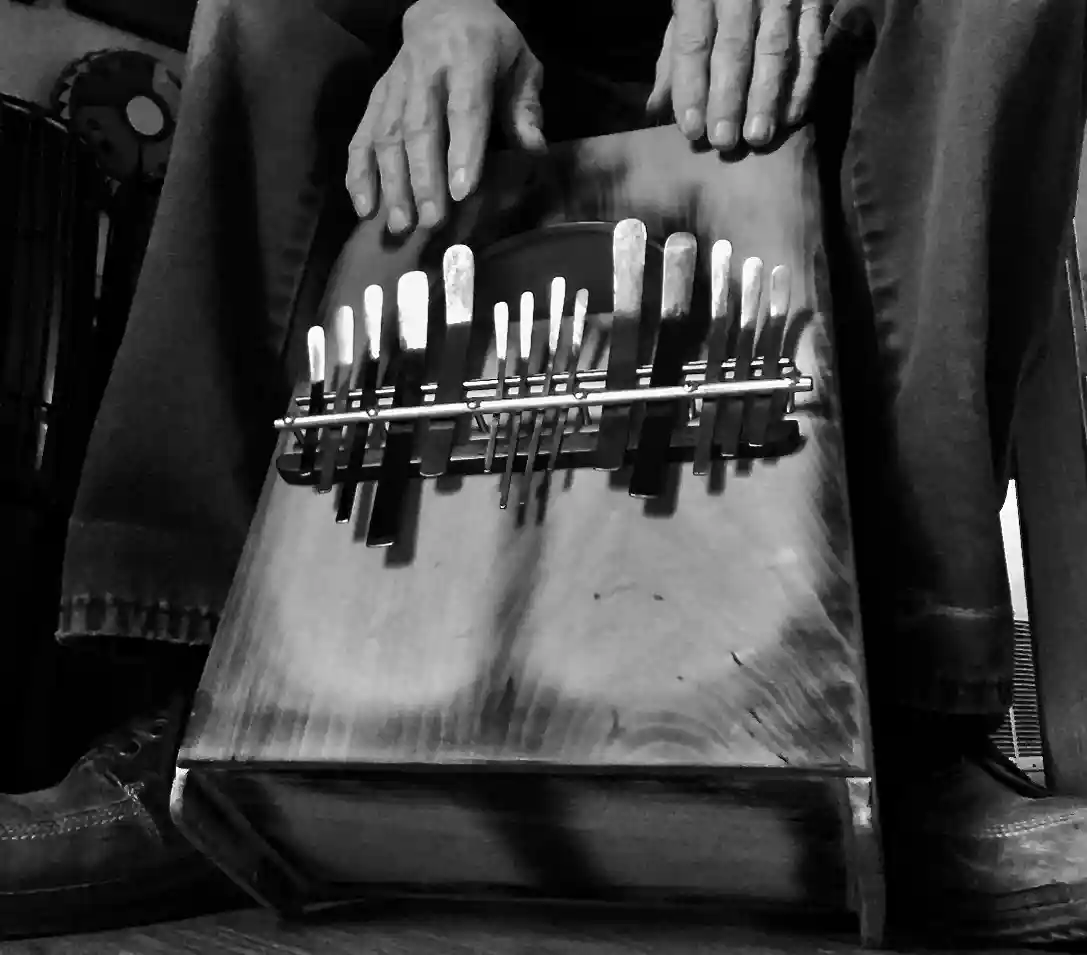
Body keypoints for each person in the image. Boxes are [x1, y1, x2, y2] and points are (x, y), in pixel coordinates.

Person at [2, 0, 1085, 944]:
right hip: (518, 37)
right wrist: (446, 1)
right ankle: (184, 715)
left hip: (782, 36)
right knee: (271, 6)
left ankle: (910, 725)